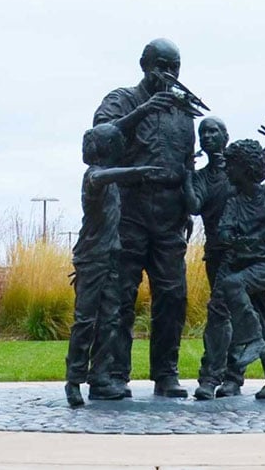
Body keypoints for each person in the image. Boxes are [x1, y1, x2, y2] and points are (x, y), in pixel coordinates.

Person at [92, 38, 195, 397]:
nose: (169, 73)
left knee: (173, 294)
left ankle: (165, 373)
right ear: (143, 64)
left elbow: (186, 163)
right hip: (130, 209)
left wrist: (187, 202)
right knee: (119, 295)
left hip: (169, 214)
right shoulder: (121, 100)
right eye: (162, 65)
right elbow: (99, 140)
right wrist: (144, 110)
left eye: (175, 67)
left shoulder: (183, 112)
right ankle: (115, 374)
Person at [195, 121, 265, 400]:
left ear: (244, 168)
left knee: (237, 293)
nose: (227, 171)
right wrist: (230, 237)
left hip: (264, 268)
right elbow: (224, 230)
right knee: (255, 318)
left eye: (231, 167)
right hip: (236, 264)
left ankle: (251, 347)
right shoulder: (234, 200)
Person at [64, 124, 168, 406]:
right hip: (92, 258)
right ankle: (73, 381)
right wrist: (135, 172)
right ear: (107, 147)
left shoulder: (111, 182)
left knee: (110, 320)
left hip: (111, 257)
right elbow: (101, 177)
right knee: (86, 321)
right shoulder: (94, 177)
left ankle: (100, 379)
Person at [183, 117, 247, 399]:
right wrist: (187, 171)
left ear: (226, 135)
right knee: (221, 314)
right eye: (203, 133)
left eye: (213, 131)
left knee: (238, 315)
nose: (208, 136)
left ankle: (227, 378)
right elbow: (195, 206)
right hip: (217, 254)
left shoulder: (241, 171)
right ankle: (215, 377)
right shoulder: (200, 177)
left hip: (243, 254)